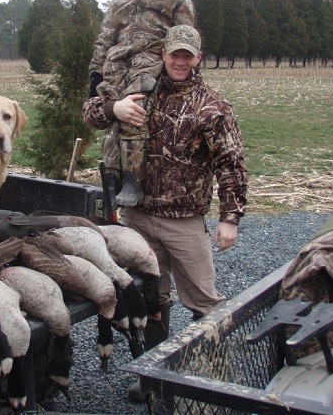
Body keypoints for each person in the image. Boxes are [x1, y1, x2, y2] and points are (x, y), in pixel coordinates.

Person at [82, 24, 248, 401]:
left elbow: (232, 163)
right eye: (174, 54)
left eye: (187, 55)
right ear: (164, 55)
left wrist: (230, 217)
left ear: (198, 59)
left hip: (184, 222)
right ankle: (156, 379)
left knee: (205, 303)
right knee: (150, 299)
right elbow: (91, 112)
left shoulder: (212, 105)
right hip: (138, 217)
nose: (179, 61)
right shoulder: (142, 90)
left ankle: (211, 383)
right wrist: (114, 107)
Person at [88, 0, 194, 208]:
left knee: (134, 107)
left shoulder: (177, 0)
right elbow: (105, 38)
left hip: (151, 62)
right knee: (111, 113)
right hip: (117, 62)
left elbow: (187, 41)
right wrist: (96, 76)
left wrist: (182, 76)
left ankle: (133, 178)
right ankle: (112, 178)